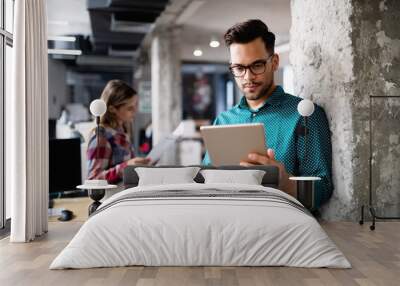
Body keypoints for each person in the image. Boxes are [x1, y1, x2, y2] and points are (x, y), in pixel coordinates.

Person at [202, 19, 333, 210]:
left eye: (256, 66)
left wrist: (286, 183)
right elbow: (206, 180)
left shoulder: (304, 116)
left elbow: (323, 188)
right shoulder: (222, 121)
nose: (248, 77)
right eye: (239, 68)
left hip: (281, 225)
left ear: (274, 62)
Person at [87, 80, 150, 184]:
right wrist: (126, 167)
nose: (135, 111)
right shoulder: (102, 136)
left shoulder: (122, 133)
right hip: (113, 199)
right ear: (112, 109)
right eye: (130, 108)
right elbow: (93, 180)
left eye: (135, 106)